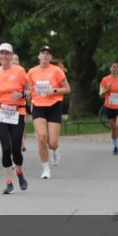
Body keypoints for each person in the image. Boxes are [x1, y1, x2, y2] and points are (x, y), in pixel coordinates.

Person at [0, 43, 30, 195]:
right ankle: (9, 182)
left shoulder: (20, 71)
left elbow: (28, 90)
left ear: (12, 55)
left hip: (17, 112)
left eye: (7, 53)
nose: (4, 56)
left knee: (16, 149)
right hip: (0, 111)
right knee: (5, 148)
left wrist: (20, 94)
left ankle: (19, 172)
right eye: (1, 53)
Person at [27, 45, 71, 179]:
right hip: (38, 106)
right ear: (39, 56)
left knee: (52, 142)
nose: (45, 56)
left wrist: (55, 91)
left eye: (47, 54)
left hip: (54, 106)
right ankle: (46, 168)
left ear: (50, 57)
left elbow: (68, 89)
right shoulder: (32, 72)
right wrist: (28, 99)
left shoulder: (57, 71)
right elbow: (29, 90)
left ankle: (55, 150)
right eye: (43, 53)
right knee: (41, 138)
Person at [100, 62, 118, 156]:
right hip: (109, 106)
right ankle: (115, 146)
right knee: (113, 129)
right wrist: (107, 90)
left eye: (117, 67)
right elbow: (101, 95)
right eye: (113, 67)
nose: (115, 68)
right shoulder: (105, 80)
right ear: (110, 68)